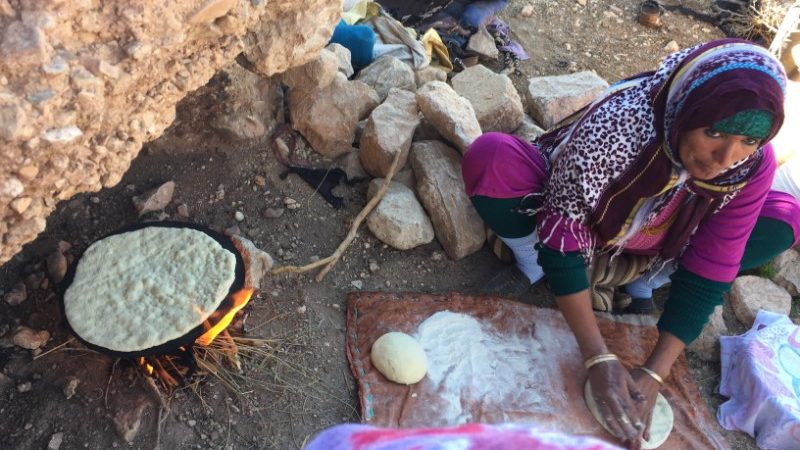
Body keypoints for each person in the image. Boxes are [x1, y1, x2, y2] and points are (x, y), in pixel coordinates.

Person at [461, 38, 799, 449]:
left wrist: (655, 372)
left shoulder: (749, 164)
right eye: (713, 132)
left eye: (748, 141)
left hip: (656, 246)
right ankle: (536, 261)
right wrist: (597, 356)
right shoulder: (621, 123)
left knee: (785, 220)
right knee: (491, 157)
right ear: (687, 109)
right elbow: (565, 222)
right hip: (585, 225)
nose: (726, 157)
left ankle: (648, 281)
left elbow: (715, 261)